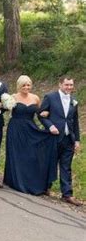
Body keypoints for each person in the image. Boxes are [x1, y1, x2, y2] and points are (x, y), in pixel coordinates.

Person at [3, 75, 57, 195]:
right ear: (19, 86)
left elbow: (39, 114)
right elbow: (4, 109)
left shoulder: (35, 98)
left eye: (28, 85)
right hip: (15, 128)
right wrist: (0, 106)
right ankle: (16, 180)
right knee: (17, 154)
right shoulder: (13, 97)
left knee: (31, 155)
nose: (26, 87)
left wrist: (49, 124)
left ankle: (31, 180)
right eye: (24, 85)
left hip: (30, 128)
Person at [39, 76, 81, 206]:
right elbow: (41, 114)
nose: (69, 87)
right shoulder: (50, 97)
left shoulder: (74, 101)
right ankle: (45, 186)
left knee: (66, 166)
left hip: (69, 138)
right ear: (60, 84)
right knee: (50, 162)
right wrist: (50, 126)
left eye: (71, 85)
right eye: (66, 85)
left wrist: (77, 140)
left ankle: (67, 194)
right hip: (54, 137)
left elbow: (75, 122)